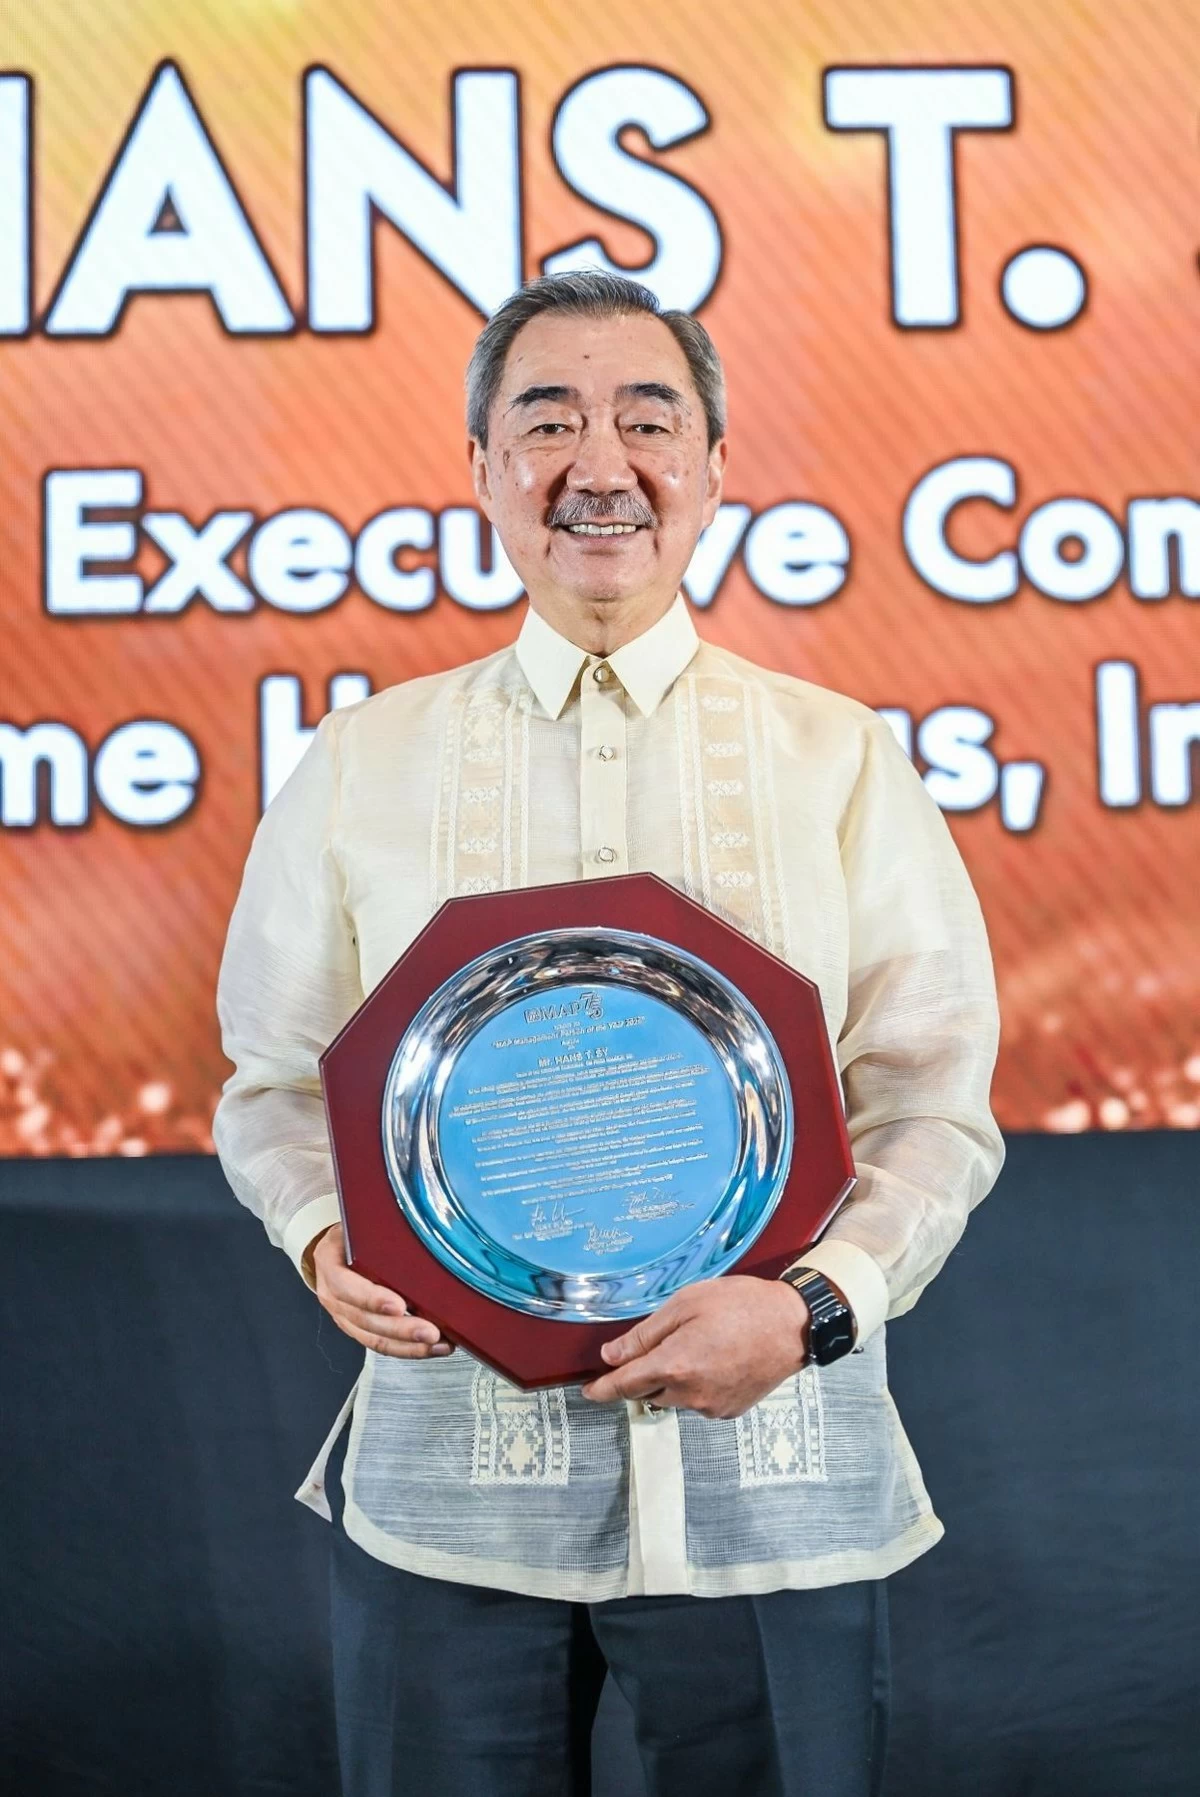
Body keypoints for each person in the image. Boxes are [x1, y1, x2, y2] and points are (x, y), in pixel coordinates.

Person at [213, 270, 1004, 1797]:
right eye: (548, 419)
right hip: (453, 1482)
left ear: (711, 468)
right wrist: (322, 1235)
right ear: (483, 473)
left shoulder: (836, 758)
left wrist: (817, 1308)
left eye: (650, 419)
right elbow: (271, 1078)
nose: (601, 463)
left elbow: (935, 1099)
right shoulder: (365, 761)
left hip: (772, 1479)